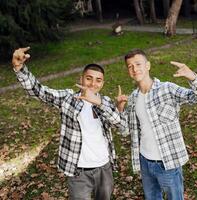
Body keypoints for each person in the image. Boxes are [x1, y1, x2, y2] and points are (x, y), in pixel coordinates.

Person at [12, 47, 121, 200]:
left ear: (102, 83)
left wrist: (101, 104)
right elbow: (39, 91)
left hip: (104, 167)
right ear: (81, 78)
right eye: (89, 78)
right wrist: (20, 68)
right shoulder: (68, 99)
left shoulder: (106, 102)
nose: (93, 83)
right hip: (78, 170)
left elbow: (121, 126)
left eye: (98, 80)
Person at [116, 49, 197, 200]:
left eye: (138, 64)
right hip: (145, 161)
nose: (134, 69)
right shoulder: (132, 98)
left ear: (148, 66)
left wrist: (192, 77)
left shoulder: (167, 89)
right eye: (130, 66)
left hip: (168, 162)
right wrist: (120, 108)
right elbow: (125, 130)